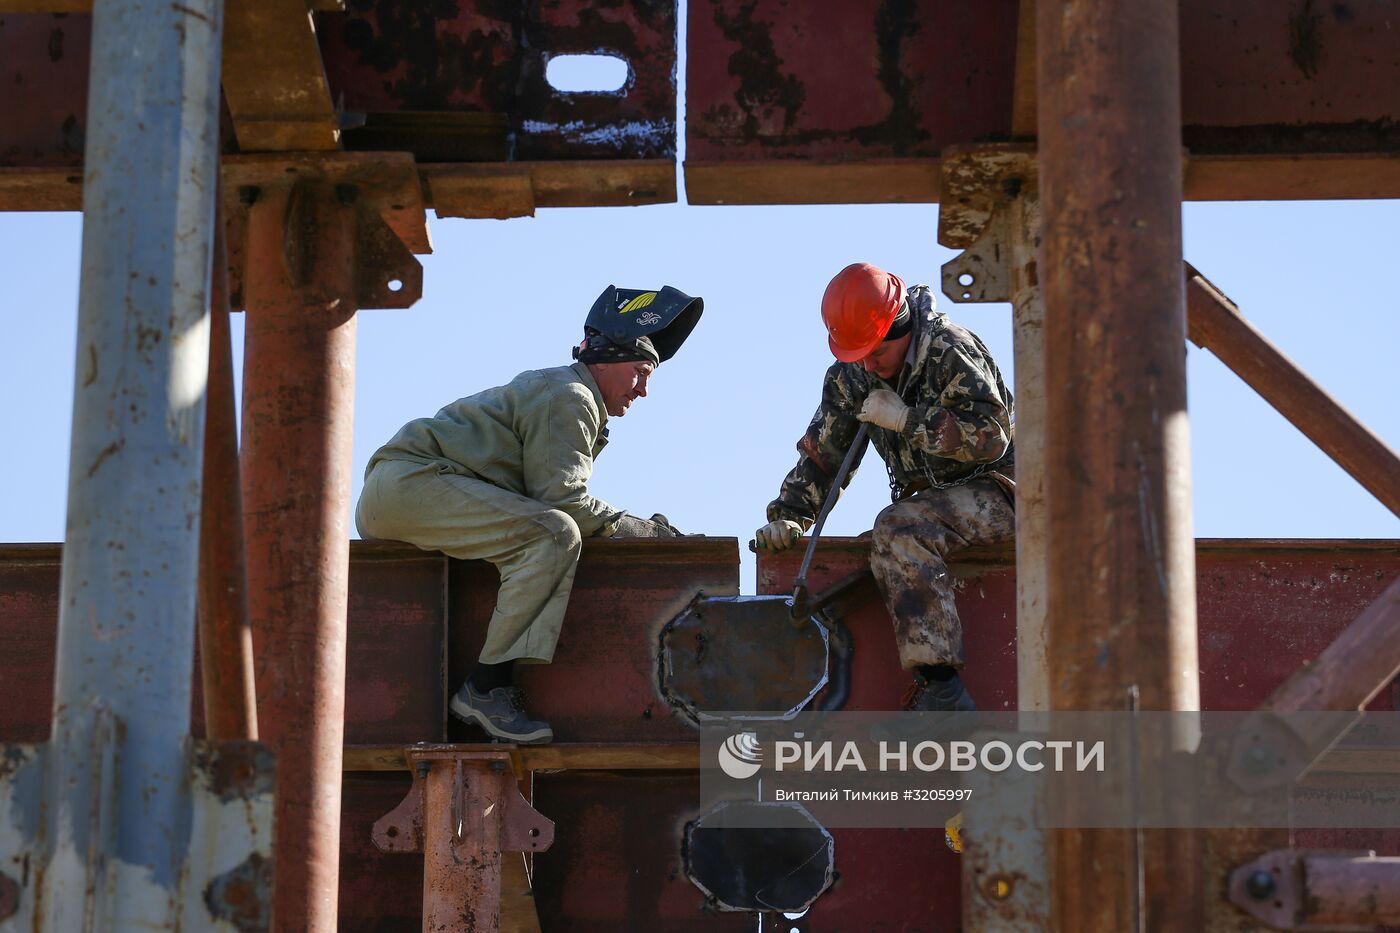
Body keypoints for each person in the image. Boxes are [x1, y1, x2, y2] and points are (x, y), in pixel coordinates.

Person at [357, 285, 703, 744]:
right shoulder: (572, 395)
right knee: (554, 534)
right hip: (411, 485)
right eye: (640, 372)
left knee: (543, 531)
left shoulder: (568, 392)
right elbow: (564, 502)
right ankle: (485, 689)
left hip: (405, 490)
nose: (643, 390)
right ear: (604, 361)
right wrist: (649, 534)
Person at [755, 262, 1015, 713]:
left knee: (899, 530)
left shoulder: (950, 350)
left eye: (875, 353)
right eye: (857, 355)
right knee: (869, 551)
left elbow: (992, 436)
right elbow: (824, 456)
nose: (868, 365)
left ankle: (944, 695)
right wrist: (788, 518)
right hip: (940, 503)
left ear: (902, 329)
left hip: (1008, 491)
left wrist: (907, 421)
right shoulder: (852, 375)